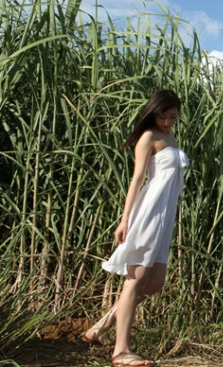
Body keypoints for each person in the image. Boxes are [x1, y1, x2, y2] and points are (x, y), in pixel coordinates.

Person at [83, 90, 189, 367]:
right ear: (152, 113)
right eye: (162, 116)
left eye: (173, 117)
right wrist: (125, 219)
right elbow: (136, 181)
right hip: (149, 213)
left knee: (153, 284)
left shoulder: (171, 136)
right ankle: (121, 351)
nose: (167, 122)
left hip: (166, 217)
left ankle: (100, 328)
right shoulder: (148, 138)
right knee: (135, 280)